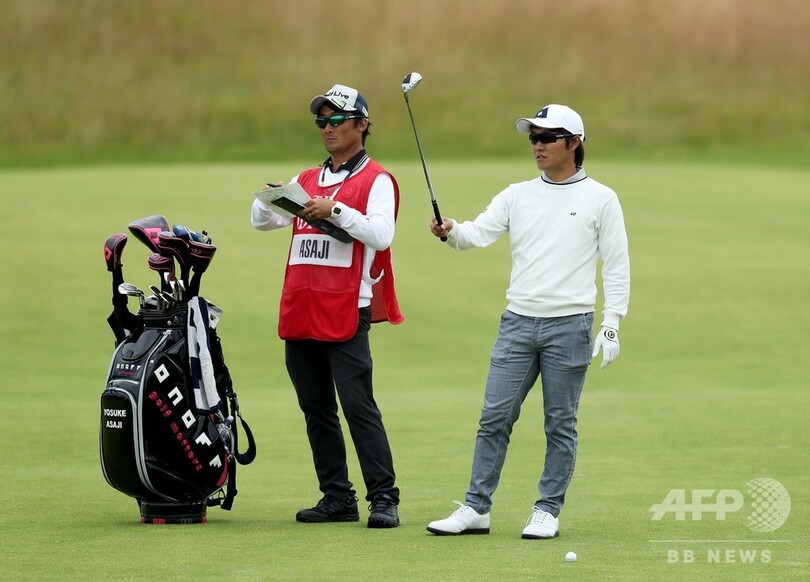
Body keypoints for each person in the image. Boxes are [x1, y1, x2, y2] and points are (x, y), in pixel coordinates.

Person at [426, 104, 630, 539]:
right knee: (494, 418)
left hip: (570, 325)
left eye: (547, 137)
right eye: (533, 138)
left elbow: (616, 265)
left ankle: (547, 510)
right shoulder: (516, 194)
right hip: (518, 323)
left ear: (574, 143)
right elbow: (476, 234)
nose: (537, 145)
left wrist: (611, 323)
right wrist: (451, 230)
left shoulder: (601, 198)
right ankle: (476, 508)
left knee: (560, 423)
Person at [251, 83, 404, 528]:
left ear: (362, 124)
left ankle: (384, 497)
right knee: (316, 409)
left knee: (358, 407)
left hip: (346, 308)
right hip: (302, 305)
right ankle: (337, 497)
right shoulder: (305, 179)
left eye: (337, 119)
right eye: (321, 121)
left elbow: (381, 234)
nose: (327, 128)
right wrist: (267, 199)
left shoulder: (377, 179)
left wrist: (334, 210)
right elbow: (263, 222)